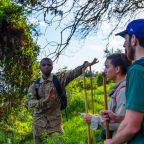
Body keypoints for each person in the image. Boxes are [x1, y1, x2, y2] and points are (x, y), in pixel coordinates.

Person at [27, 57, 98, 144]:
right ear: (40, 67)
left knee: (58, 141)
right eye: (44, 65)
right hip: (38, 124)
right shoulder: (35, 84)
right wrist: (44, 101)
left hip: (55, 123)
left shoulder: (58, 80)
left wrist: (84, 66)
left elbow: (72, 73)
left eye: (49, 65)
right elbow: (30, 102)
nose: (46, 66)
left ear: (52, 67)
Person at [102, 19, 144, 144]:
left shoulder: (137, 70)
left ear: (133, 39)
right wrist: (119, 118)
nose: (124, 45)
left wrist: (112, 142)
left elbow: (132, 127)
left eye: (125, 40)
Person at [83, 53, 131, 139]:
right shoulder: (119, 89)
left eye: (107, 67)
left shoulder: (123, 90)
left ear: (117, 69)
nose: (104, 70)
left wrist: (94, 119)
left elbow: (123, 123)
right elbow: (115, 117)